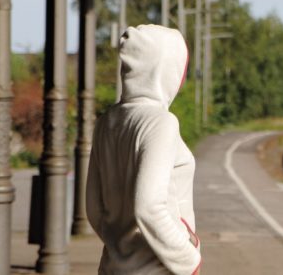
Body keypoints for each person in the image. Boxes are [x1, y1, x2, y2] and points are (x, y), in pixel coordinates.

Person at [87, 24, 202, 275]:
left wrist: (121, 248)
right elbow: (149, 206)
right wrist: (187, 260)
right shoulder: (160, 122)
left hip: (112, 267)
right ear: (165, 68)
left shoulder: (107, 122)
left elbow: (94, 209)